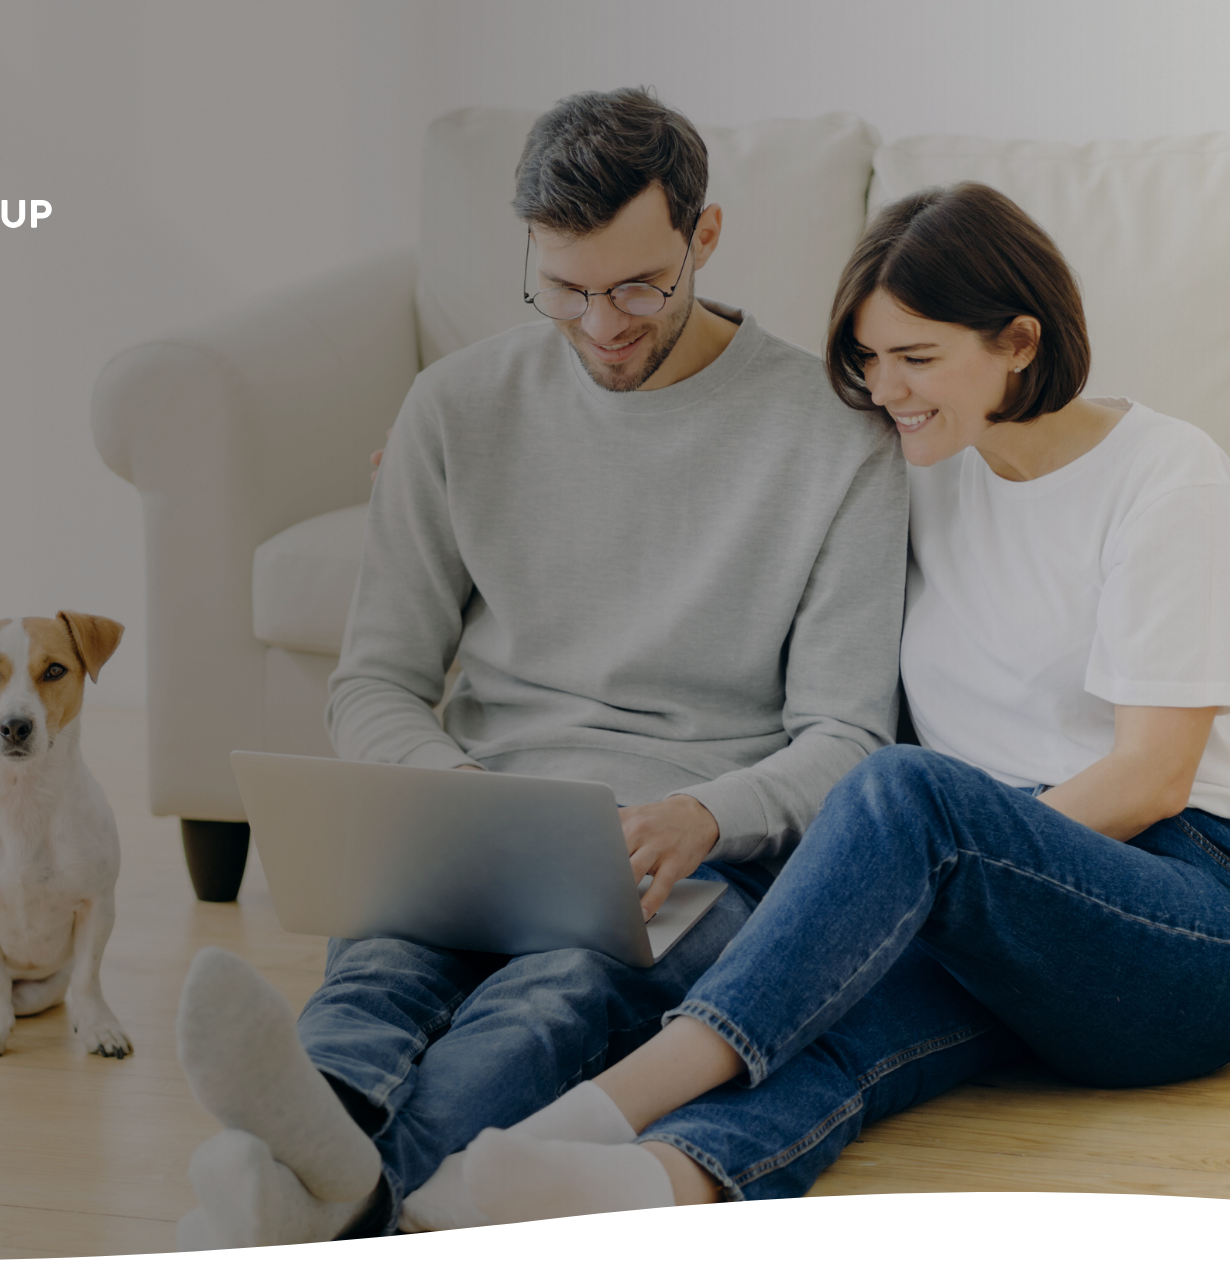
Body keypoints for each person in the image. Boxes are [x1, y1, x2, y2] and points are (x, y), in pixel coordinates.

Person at [438, 180, 1230, 1219]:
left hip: (1193, 911)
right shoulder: (922, 469)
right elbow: (727, 496)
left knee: (906, 794)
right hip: (995, 903)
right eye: (866, 357)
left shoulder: (1167, 478)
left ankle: (590, 1111)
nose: (883, 388)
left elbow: (1151, 775)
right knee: (826, 1031)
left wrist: (948, 862)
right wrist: (470, 472)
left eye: (916, 357)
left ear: (1020, 340)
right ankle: (620, 1188)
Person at [170, 87, 910, 1248]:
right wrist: (444, 790)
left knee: (548, 999)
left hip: (692, 852)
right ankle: (329, 1179)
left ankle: (307, 1192)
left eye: (636, 286)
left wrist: (704, 815)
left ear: (704, 239)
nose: (602, 323)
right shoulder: (455, 406)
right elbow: (374, 682)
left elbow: (851, 735)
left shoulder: (833, 434)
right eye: (563, 289)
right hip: (479, 809)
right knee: (378, 977)